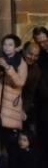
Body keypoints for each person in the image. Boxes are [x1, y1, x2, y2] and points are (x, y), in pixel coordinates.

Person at [31, 26, 48, 156]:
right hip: (41, 101)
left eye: (45, 41)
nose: (43, 44)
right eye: (39, 42)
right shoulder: (37, 56)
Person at [21, 41, 41, 133]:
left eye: (36, 55)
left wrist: (23, 109)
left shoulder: (36, 71)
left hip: (21, 104)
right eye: (30, 54)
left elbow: (29, 94)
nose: (32, 58)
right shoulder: (14, 61)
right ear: (24, 51)